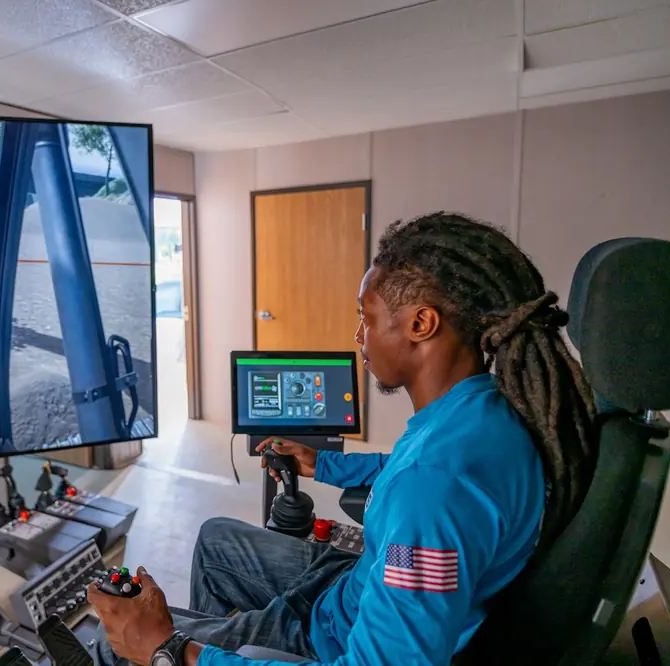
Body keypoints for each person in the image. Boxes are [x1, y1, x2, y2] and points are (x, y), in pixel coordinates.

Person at [87, 213, 598, 666]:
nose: (359, 337)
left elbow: (423, 490)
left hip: (327, 638)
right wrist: (324, 465)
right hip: (348, 586)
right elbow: (406, 464)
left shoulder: (432, 492)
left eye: (367, 318)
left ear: (420, 323)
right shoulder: (482, 411)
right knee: (219, 538)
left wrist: (173, 652)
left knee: (118, 648)